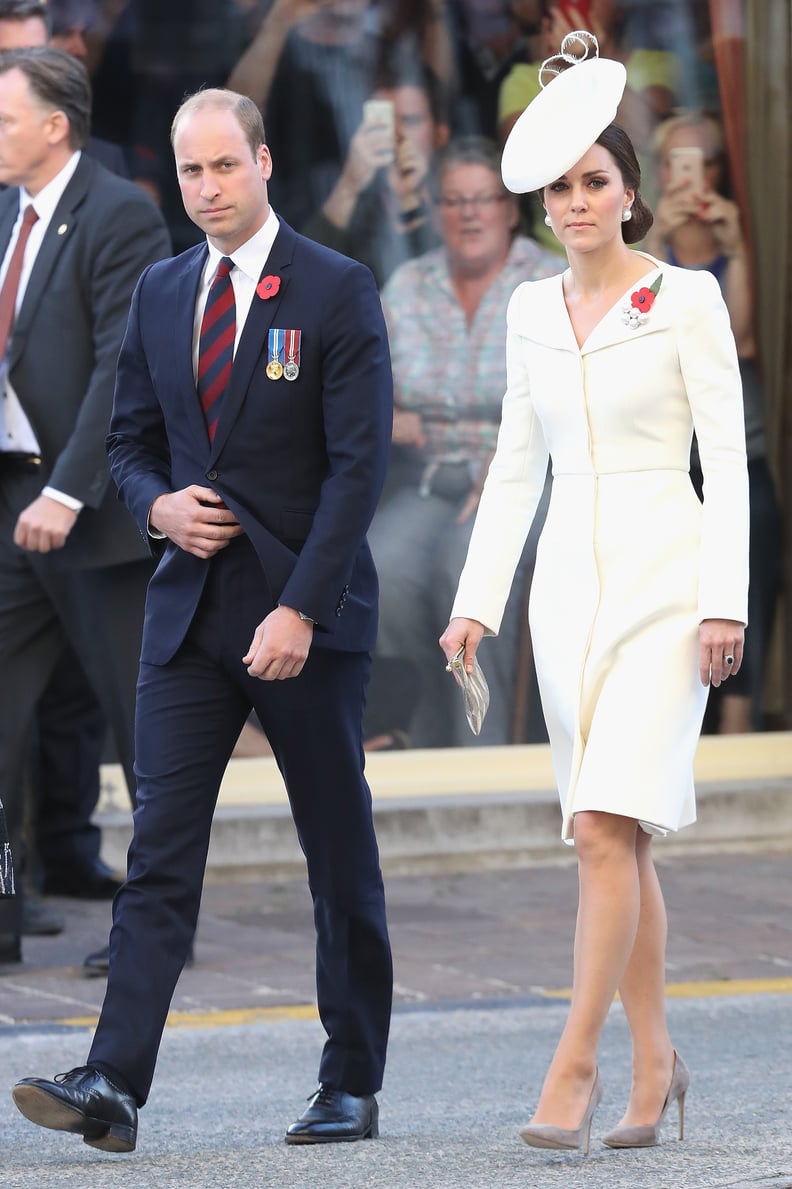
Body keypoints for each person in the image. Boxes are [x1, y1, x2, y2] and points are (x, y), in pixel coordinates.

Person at [12, 85, 394, 1150]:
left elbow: (359, 471)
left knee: (336, 853)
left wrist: (300, 608)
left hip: (303, 617)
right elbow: (130, 444)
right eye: (190, 171)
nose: (208, 187)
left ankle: (351, 1078)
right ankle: (114, 1082)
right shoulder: (161, 290)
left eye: (226, 165)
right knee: (160, 853)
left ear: (264, 163)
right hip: (185, 618)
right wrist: (156, 504)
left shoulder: (336, 287)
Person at [440, 34, 748, 1154]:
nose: (577, 202)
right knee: (615, 841)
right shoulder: (529, 311)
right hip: (563, 599)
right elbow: (516, 470)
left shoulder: (688, 298)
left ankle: (573, 1063)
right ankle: (658, 1063)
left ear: (629, 194)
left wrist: (728, 603)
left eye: (596, 181)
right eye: (561, 186)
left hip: (672, 591)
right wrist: (476, 600)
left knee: (604, 826)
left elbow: (729, 462)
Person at [0, 47, 169, 968]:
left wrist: (68, 488)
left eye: (5, 118)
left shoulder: (121, 215)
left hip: (94, 519)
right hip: (11, 506)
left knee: (146, 739)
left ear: (54, 127)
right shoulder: (4, 213)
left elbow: (121, 364)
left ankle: (156, 930)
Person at [369, 134, 563, 747]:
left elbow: (573, 395)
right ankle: (419, 746)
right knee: (380, 566)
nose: (469, 213)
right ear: (436, 208)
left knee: (468, 569)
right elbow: (358, 384)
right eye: (454, 201)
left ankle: (485, 754)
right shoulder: (408, 283)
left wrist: (512, 460)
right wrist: (386, 417)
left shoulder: (549, 281)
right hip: (430, 480)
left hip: (526, 478)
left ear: (511, 209)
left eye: (483, 199)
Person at [645, 111, 781, 732]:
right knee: (670, 617)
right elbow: (638, 336)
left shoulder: (735, 245)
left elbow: (745, 341)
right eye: (676, 162)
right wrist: (653, 244)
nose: (688, 176)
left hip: (737, 455)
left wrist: (734, 250)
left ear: (721, 171)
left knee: (746, 597)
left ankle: (736, 742)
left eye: (701, 161)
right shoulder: (645, 255)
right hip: (668, 465)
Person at [302, 64, 449, 289]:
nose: (396, 135)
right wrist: (349, 183)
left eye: (410, 121)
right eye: (384, 122)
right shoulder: (348, 204)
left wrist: (415, 196)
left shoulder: (461, 194)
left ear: (440, 134)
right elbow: (302, 277)